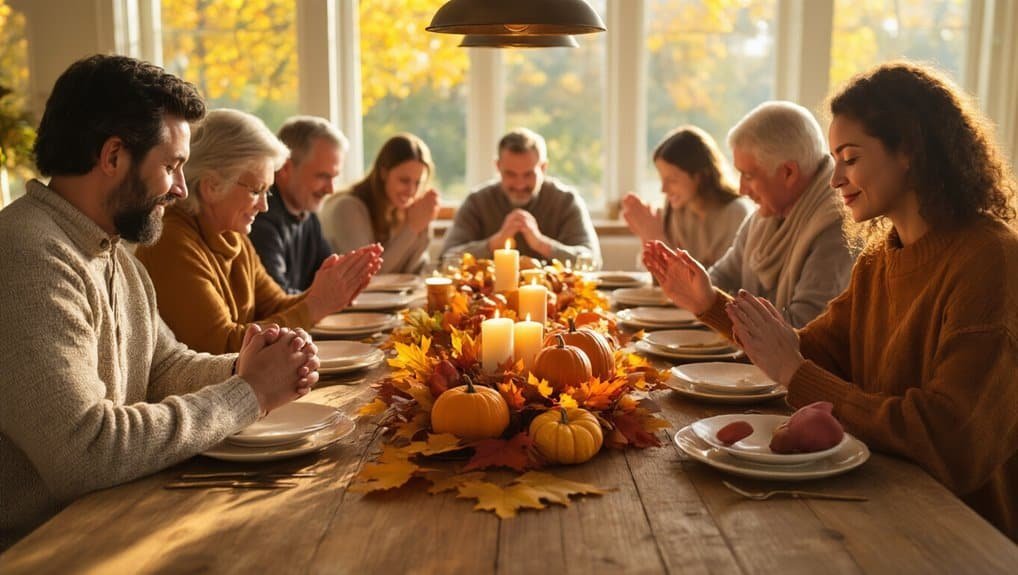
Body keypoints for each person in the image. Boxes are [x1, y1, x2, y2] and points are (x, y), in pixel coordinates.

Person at [645, 62, 1018, 541]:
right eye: (834, 158)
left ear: (909, 149)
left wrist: (795, 373)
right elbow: (811, 353)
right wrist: (708, 304)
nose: (835, 176)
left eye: (850, 157)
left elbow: (952, 441)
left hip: (959, 533)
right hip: (882, 501)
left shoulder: (991, 260)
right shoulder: (880, 261)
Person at [0, 55, 321, 550]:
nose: (180, 188)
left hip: (114, 519)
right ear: (113, 157)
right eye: (171, 166)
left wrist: (245, 366)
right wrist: (249, 393)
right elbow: (85, 451)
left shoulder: (115, 254)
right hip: (45, 549)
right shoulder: (26, 255)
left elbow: (162, 367)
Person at [135, 109, 383, 354]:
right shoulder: (172, 242)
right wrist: (315, 305)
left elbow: (274, 306)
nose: (264, 206)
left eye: (268, 192)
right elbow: (223, 346)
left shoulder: (233, 235)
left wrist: (326, 294)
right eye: (256, 191)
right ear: (212, 186)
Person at [652, 102, 855, 328]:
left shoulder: (835, 230)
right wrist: (688, 284)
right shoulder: (763, 218)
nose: (741, 190)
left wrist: (710, 303)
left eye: (748, 176)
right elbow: (719, 279)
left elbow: (802, 330)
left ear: (788, 173)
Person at [441, 127, 600, 265]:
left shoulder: (566, 201)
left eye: (528, 174)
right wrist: (494, 243)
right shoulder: (477, 202)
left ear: (543, 168)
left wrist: (541, 244)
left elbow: (592, 261)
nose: (519, 184)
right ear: (498, 167)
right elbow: (445, 260)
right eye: (510, 174)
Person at [621, 126, 754, 267]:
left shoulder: (736, 213)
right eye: (662, 179)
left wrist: (656, 237)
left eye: (672, 180)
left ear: (700, 176)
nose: (664, 189)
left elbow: (719, 282)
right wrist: (647, 237)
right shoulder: (676, 210)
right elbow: (654, 277)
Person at [249, 116, 349, 293]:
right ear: (285, 168)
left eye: (334, 177)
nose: (331, 189)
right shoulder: (259, 218)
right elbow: (278, 299)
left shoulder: (306, 213)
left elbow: (332, 279)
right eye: (323, 176)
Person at [321, 133, 439, 274]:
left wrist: (424, 228)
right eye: (404, 180)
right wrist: (412, 228)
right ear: (384, 173)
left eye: (418, 182)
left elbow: (414, 270)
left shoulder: (401, 210)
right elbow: (368, 274)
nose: (412, 191)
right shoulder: (347, 208)